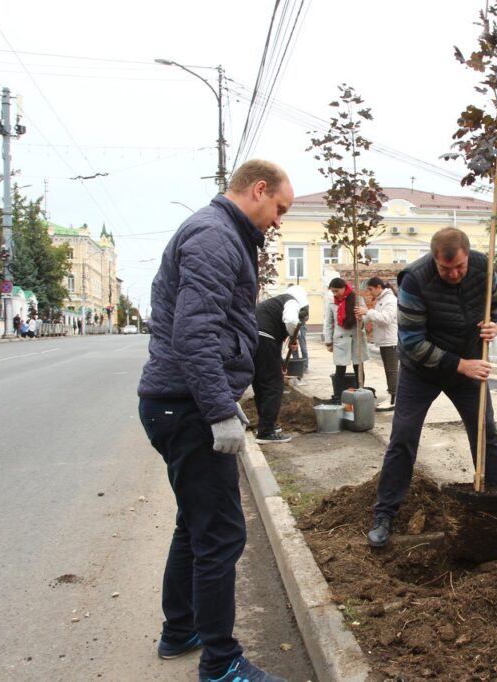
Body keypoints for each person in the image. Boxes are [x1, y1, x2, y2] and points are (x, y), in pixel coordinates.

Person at [137, 159, 293, 682]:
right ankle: (222, 664)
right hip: (188, 408)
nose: (277, 222)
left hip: (176, 404)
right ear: (259, 189)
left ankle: (180, 629)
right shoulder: (213, 237)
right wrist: (221, 412)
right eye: (279, 209)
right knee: (222, 536)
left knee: (195, 524)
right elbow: (195, 335)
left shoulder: (223, 234)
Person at [367, 227, 497, 548]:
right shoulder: (414, 280)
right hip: (422, 371)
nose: (454, 274)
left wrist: (496, 323)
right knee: (403, 437)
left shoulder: (484, 269)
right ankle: (385, 513)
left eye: (459, 267)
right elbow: (412, 343)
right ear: (435, 260)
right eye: (446, 269)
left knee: (486, 434)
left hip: (468, 365)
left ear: (468, 257)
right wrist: (461, 364)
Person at [253, 285, 308, 444]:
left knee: (261, 384)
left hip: (253, 341)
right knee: (274, 386)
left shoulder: (273, 303)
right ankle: (266, 432)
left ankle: (267, 425)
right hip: (264, 340)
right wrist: (293, 337)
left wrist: (280, 362)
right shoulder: (291, 301)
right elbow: (291, 320)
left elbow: (274, 338)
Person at [323, 277, 370, 402]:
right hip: (340, 339)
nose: (335, 294)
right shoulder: (331, 302)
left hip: (356, 338)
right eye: (333, 291)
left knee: (358, 368)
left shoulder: (357, 299)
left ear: (344, 288)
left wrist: (360, 318)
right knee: (340, 369)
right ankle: (338, 396)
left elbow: (365, 318)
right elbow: (328, 323)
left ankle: (360, 393)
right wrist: (328, 342)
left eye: (337, 291)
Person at [356, 276, 398, 411]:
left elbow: (386, 319)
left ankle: (393, 399)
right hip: (384, 340)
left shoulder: (390, 299)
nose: (369, 293)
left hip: (390, 340)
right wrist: (363, 315)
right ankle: (392, 395)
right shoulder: (381, 299)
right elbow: (376, 315)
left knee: (392, 371)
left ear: (379, 287)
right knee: (389, 370)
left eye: (371, 289)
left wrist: (367, 311)